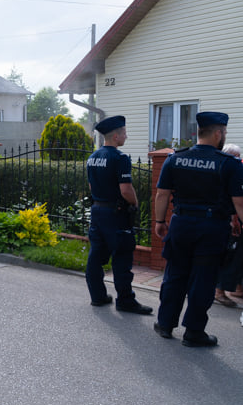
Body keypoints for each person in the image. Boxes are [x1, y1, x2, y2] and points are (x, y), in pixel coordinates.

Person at [154, 112, 243, 347]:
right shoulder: (229, 164)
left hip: (181, 224)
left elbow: (162, 193)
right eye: (223, 132)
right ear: (218, 133)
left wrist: (160, 222)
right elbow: (239, 203)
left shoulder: (175, 159)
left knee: (175, 275)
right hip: (211, 228)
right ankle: (193, 332)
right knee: (203, 280)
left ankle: (165, 324)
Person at [85, 116, 152, 314]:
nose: (126, 136)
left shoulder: (92, 157)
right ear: (115, 136)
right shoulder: (120, 158)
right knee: (122, 257)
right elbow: (126, 190)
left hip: (97, 211)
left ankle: (98, 296)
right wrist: (135, 203)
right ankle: (125, 301)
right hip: (116, 214)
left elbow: (91, 186)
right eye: (124, 133)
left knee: (96, 255)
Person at [216, 143, 243, 306]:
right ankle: (220, 291)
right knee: (229, 256)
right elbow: (233, 201)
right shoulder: (225, 173)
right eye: (235, 157)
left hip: (234, 219)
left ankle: (237, 288)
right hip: (229, 220)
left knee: (238, 256)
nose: (238, 160)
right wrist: (234, 220)